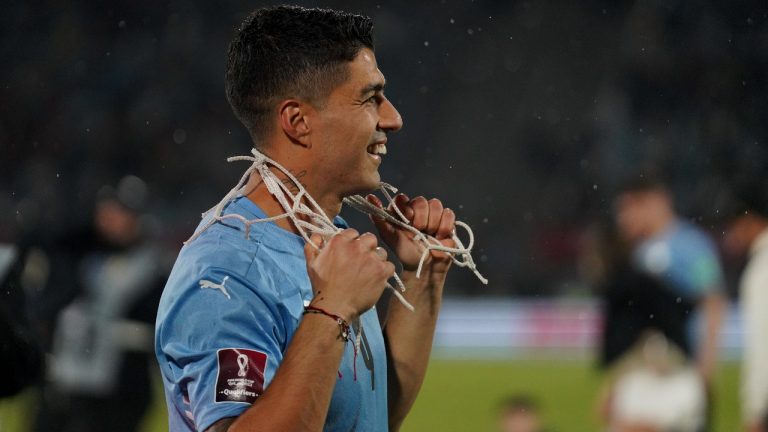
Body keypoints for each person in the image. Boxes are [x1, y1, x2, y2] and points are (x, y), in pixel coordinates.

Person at [155, 6, 470, 432]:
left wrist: (422, 275)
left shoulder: (330, 242)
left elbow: (371, 414)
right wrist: (331, 310)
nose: (393, 118)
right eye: (369, 98)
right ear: (298, 122)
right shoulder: (226, 274)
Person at [32, 175, 166, 432]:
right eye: (115, 209)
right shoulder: (71, 249)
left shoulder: (150, 268)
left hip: (117, 391)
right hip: (65, 384)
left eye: (129, 213)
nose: (120, 219)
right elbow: (44, 308)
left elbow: (155, 329)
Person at [614, 177, 726, 385]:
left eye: (628, 209)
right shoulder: (640, 252)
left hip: (682, 364)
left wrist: (706, 366)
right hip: (648, 368)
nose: (623, 219)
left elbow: (713, 303)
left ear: (654, 203)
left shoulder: (693, 245)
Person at [722, 181, 768, 432]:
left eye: (733, 226)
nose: (731, 237)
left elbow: (763, 347)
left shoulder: (762, 270)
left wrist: (757, 411)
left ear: (749, 220)